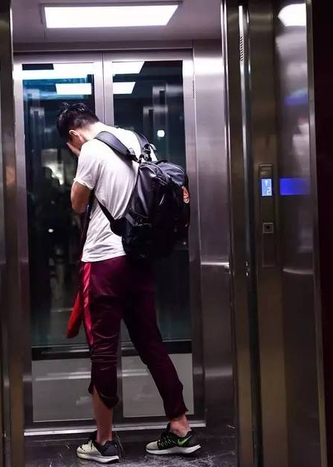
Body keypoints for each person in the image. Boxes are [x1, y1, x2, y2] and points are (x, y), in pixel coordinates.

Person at [56, 103, 201, 463]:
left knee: (103, 351)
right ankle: (180, 426)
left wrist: (82, 169)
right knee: (151, 342)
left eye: (70, 146)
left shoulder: (91, 149)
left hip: (104, 262)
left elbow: (77, 204)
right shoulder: (136, 139)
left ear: (74, 135)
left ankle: (103, 441)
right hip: (139, 257)